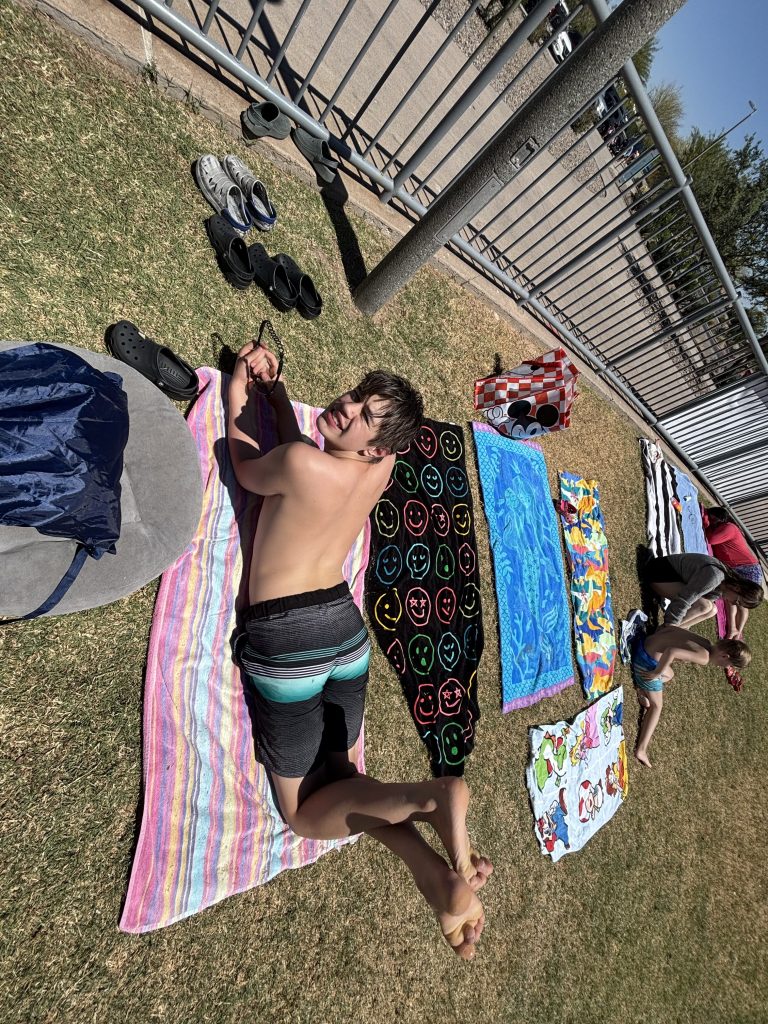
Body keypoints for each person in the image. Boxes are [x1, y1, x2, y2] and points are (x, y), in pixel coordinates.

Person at [227, 338, 493, 960]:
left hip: (289, 635)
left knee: (302, 813)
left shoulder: (299, 463)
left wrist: (242, 386)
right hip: (345, 637)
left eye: (362, 414)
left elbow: (247, 463)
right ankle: (433, 871)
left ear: (376, 445)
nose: (344, 407)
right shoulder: (382, 468)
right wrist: (279, 396)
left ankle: (432, 797)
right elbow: (312, 462)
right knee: (345, 781)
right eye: (354, 396)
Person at [632, 625, 751, 768]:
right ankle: (641, 750)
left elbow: (671, 628)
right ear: (725, 656)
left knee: (670, 674)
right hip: (644, 661)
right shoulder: (704, 657)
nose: (726, 668)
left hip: (646, 642)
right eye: (729, 665)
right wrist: (656, 672)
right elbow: (671, 651)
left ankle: (643, 690)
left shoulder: (706, 642)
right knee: (657, 707)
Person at [641, 551, 762, 628]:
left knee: (713, 610)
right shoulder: (714, 578)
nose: (733, 604)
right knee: (705, 606)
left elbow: (695, 603)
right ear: (737, 587)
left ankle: (673, 632)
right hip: (657, 573)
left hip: (673, 579)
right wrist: (671, 623)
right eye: (737, 601)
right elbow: (684, 600)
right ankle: (667, 630)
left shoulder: (724, 586)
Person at [701, 506, 765, 639]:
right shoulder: (726, 527)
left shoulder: (729, 528)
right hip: (741, 566)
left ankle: (736, 630)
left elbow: (711, 539)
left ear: (719, 519)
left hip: (747, 568)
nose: (711, 521)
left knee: (741, 599)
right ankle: (734, 630)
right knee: (736, 598)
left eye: (712, 519)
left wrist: (706, 523)